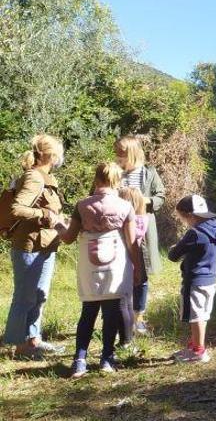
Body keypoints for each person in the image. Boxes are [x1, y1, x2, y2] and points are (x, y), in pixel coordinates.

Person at [60, 163, 140, 378]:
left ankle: (79, 360)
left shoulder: (82, 206)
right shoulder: (125, 207)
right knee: (111, 311)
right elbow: (132, 243)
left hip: (89, 262)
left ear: (96, 180)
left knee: (88, 310)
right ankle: (106, 358)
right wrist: (139, 269)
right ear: (118, 181)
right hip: (115, 263)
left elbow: (68, 238)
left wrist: (58, 224)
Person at [3, 134, 66, 358]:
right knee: (26, 296)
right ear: (51, 155)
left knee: (39, 295)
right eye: (59, 153)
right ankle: (19, 346)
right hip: (29, 247)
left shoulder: (45, 177)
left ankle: (33, 340)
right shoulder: (35, 178)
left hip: (44, 246)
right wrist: (44, 214)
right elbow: (16, 209)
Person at [115, 136, 166, 334]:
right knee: (120, 271)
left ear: (133, 153)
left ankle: (139, 317)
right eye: (117, 153)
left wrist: (143, 201)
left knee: (141, 273)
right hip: (118, 230)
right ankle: (121, 315)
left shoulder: (149, 173)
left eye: (122, 153)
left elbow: (160, 197)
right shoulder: (115, 173)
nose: (118, 157)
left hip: (143, 229)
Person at [168, 194, 216, 364]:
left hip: (194, 280)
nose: (183, 222)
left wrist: (176, 247)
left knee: (196, 317)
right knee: (203, 314)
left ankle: (199, 352)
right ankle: (195, 345)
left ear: (190, 216)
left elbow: (173, 255)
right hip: (210, 278)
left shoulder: (194, 233)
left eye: (182, 218)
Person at [118, 187, 149, 345]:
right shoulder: (143, 218)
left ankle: (130, 323)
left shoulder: (131, 220)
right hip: (138, 257)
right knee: (140, 286)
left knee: (127, 293)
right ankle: (137, 319)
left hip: (127, 257)